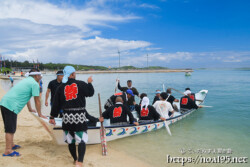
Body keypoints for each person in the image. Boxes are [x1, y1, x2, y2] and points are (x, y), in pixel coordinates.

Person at [49, 66, 103, 167]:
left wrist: (52, 117)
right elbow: (90, 93)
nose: (75, 74)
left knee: (70, 140)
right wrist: (89, 82)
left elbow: (55, 103)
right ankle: (80, 161)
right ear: (72, 74)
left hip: (67, 117)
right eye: (74, 72)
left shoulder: (60, 87)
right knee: (81, 139)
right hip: (79, 116)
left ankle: (75, 159)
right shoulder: (81, 84)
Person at [0, 68, 47, 157]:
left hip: (4, 103)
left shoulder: (26, 81)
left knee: (10, 127)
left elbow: (26, 96)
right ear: (36, 76)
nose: (41, 77)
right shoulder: (34, 84)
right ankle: (8, 151)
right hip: (11, 105)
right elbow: (37, 101)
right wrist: (40, 114)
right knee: (10, 129)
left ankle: (12, 145)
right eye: (40, 75)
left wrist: (30, 109)